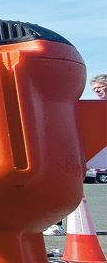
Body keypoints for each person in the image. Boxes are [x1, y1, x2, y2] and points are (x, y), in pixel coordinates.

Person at [44, 73, 107, 236]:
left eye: (100, 87)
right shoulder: (92, 108)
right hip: (88, 155)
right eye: (95, 89)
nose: (97, 91)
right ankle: (56, 223)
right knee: (63, 186)